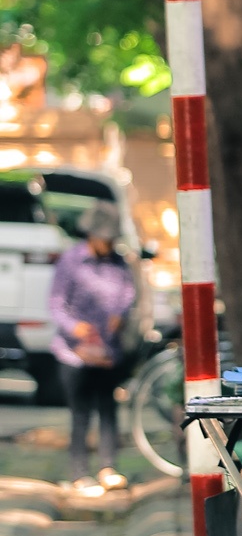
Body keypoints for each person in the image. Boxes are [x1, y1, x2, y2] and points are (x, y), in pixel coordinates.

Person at [49, 202, 138, 494]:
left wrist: (119, 314)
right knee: (80, 414)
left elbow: (128, 292)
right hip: (73, 353)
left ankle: (108, 467)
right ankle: (78, 473)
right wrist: (75, 328)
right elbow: (56, 304)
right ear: (91, 235)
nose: (109, 243)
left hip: (107, 352)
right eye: (105, 238)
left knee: (108, 410)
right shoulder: (71, 261)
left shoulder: (118, 262)